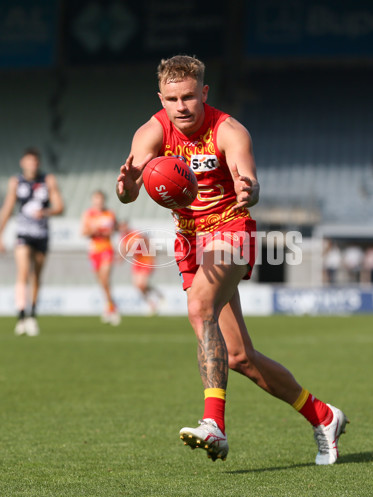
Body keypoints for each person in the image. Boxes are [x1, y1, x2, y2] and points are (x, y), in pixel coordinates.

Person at [116, 55, 348, 464]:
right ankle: (323, 415)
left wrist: (249, 190)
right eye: (172, 98)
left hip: (230, 231)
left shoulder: (229, 130)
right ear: (161, 98)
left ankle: (214, 425)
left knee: (199, 305)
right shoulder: (151, 132)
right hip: (190, 241)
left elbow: (249, 180)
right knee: (240, 357)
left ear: (204, 92)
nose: (181, 106)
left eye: (189, 96)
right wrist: (126, 188)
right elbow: (129, 190)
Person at [0, 147, 64, 336]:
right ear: (22, 163)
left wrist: (46, 212)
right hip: (23, 233)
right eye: (28, 161)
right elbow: (8, 207)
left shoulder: (48, 180)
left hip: (41, 234)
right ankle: (21, 316)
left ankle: (32, 315)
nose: (31, 165)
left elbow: (60, 207)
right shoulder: (16, 182)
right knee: (23, 273)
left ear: (38, 164)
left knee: (36, 276)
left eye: (34, 162)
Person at [81, 190, 121, 325]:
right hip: (94, 251)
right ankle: (109, 306)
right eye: (96, 199)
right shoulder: (88, 214)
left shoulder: (109, 213)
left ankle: (112, 309)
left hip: (107, 249)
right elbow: (83, 232)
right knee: (102, 282)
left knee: (105, 278)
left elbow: (115, 228)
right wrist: (94, 230)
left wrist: (110, 231)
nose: (98, 202)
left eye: (100, 199)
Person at [117, 221, 163, 315]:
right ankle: (153, 302)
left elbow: (146, 242)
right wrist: (120, 259)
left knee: (142, 284)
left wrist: (153, 253)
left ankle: (156, 298)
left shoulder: (135, 234)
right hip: (137, 261)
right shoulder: (123, 238)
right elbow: (124, 250)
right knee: (137, 285)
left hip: (146, 259)